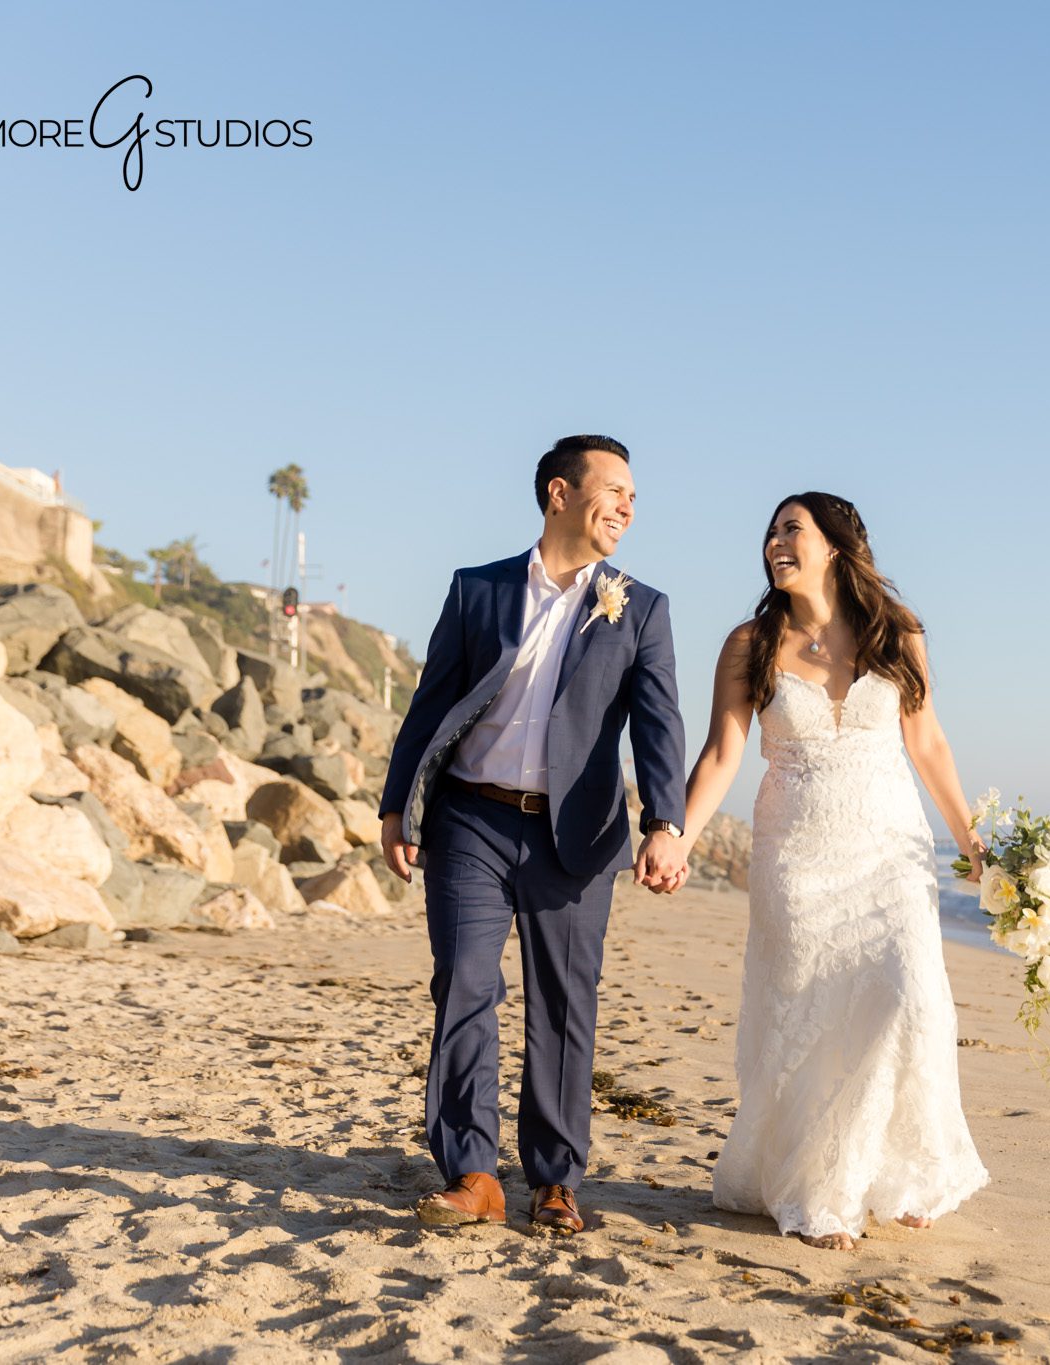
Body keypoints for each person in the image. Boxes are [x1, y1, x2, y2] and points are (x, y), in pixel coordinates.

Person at [378, 434, 687, 1237]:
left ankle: (554, 1181)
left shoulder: (640, 606)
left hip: (575, 837)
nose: (626, 505)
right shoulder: (477, 589)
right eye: (613, 488)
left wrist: (665, 820)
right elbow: (429, 704)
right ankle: (474, 1173)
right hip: (469, 820)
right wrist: (396, 809)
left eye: (633, 495)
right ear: (559, 492)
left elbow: (659, 727)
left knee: (563, 1004)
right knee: (464, 985)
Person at [666, 491, 990, 1251]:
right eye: (771, 531)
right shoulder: (752, 642)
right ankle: (823, 1193)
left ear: (838, 546)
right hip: (797, 853)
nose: (774, 542)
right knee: (810, 1014)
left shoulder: (896, 633)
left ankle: (904, 1172)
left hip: (891, 852)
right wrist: (677, 833)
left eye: (791, 529)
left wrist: (972, 843)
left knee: (910, 999)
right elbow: (721, 754)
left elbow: (930, 744)